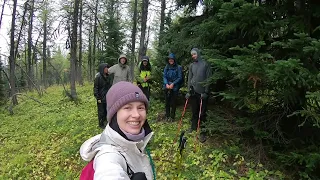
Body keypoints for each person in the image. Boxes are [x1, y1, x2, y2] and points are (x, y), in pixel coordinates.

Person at [80, 81, 155, 180]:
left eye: (141, 107)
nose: (136, 115)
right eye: (127, 108)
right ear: (114, 115)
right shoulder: (108, 156)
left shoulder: (135, 142)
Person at [185, 48, 212, 143]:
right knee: (194, 111)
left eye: (194, 54)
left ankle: (203, 132)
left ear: (198, 54)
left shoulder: (205, 64)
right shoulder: (192, 65)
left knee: (202, 113)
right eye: (192, 55)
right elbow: (189, 78)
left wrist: (206, 92)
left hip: (202, 93)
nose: (193, 56)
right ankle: (193, 127)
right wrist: (188, 91)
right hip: (193, 92)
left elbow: (209, 78)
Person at [163, 53, 183, 121]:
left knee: (173, 102)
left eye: (172, 59)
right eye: (169, 59)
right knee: (167, 102)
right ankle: (167, 116)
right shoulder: (167, 67)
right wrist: (166, 84)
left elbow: (180, 78)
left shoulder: (178, 67)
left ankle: (172, 117)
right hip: (167, 86)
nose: (170, 60)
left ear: (174, 60)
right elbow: (164, 76)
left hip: (175, 87)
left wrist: (173, 84)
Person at [94, 63, 112, 129]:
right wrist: (98, 97)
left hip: (107, 97)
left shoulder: (108, 76)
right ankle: (101, 124)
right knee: (101, 111)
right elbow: (96, 88)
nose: (107, 69)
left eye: (108, 67)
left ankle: (106, 122)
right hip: (101, 97)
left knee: (107, 110)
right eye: (106, 68)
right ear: (102, 69)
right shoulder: (98, 77)